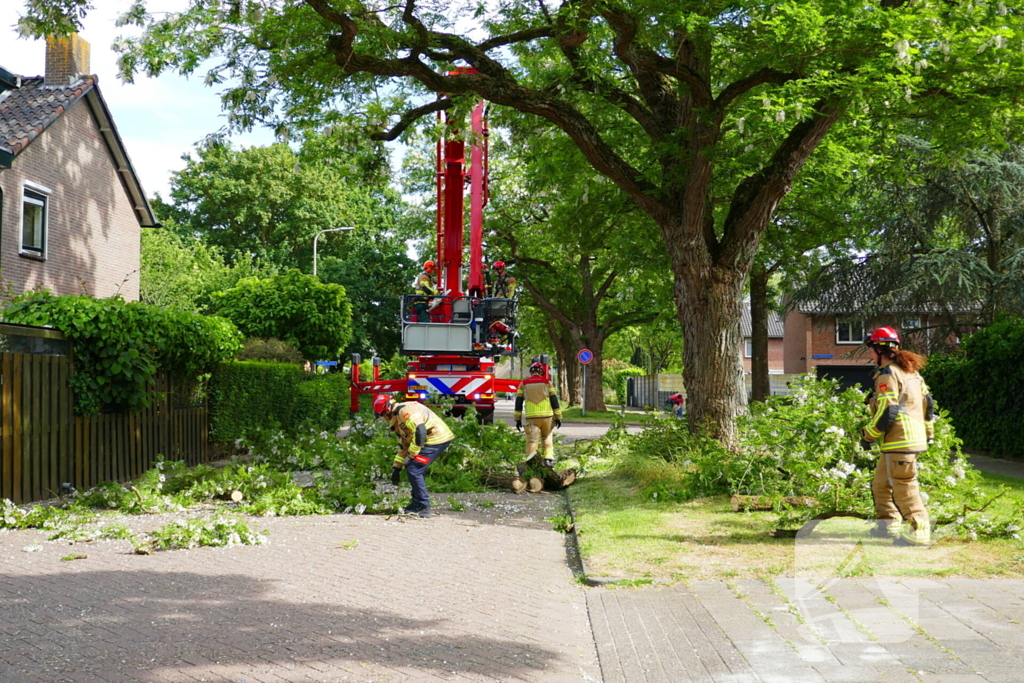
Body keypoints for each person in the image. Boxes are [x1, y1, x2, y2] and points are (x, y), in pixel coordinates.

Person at [860, 326, 935, 546]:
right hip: (905, 440)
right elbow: (927, 404)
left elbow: (888, 410)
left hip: (902, 440)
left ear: (879, 350)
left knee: (904, 486)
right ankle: (887, 525)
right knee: (881, 483)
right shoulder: (911, 372)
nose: (870, 354)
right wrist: (928, 433)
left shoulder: (888, 374)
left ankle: (919, 532)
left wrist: (868, 435)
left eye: (871, 349)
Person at [373, 393, 455, 518]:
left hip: (436, 439)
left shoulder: (405, 410)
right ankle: (416, 503)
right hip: (429, 440)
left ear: (388, 409)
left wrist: (412, 455)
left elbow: (420, 431)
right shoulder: (398, 419)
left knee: (414, 468)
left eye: (382, 415)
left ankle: (423, 506)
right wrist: (397, 467)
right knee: (413, 467)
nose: (383, 418)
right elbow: (404, 445)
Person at [514, 362, 562, 472]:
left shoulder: (524, 384)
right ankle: (548, 459)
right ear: (541, 372)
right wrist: (558, 417)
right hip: (547, 417)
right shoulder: (547, 383)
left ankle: (531, 463)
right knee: (547, 437)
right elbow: (554, 400)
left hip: (531, 417)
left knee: (532, 440)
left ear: (531, 372)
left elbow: (519, 402)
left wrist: (517, 419)